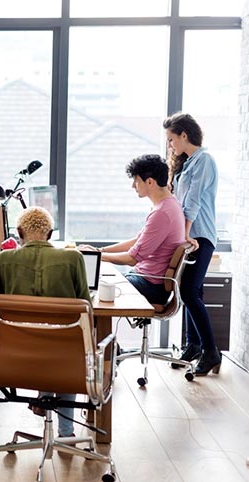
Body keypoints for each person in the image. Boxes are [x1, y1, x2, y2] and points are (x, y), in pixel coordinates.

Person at [0, 207, 90, 439]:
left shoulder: (4, 260)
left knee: (43, 344)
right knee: (66, 348)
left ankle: (43, 398)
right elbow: (86, 310)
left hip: (15, 359)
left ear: (19, 233)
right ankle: (66, 431)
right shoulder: (73, 258)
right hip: (65, 359)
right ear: (49, 233)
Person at [79, 154, 185, 307]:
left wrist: (97, 255)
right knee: (94, 282)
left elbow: (132, 259)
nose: (133, 186)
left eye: (136, 180)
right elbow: (137, 242)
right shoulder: (169, 205)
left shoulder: (162, 213)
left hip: (150, 286)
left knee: (88, 289)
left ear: (150, 182)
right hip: (146, 280)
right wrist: (99, 250)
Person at [163, 112, 222, 376]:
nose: (170, 145)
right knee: (190, 293)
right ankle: (193, 345)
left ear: (184, 135)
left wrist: (186, 236)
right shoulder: (188, 163)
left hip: (200, 237)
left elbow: (193, 202)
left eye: (171, 139)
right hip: (189, 237)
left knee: (188, 291)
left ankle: (211, 351)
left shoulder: (204, 161)